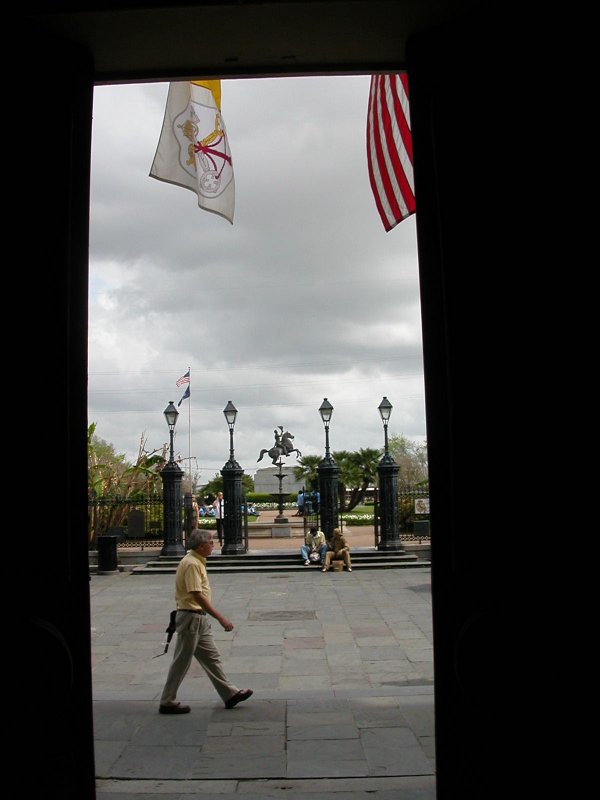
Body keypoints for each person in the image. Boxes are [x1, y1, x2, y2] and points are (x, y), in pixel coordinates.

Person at [158, 528, 253, 714]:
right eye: (211, 542)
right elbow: (196, 595)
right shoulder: (192, 564)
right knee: (182, 661)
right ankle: (167, 701)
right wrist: (220, 617)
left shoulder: (196, 561)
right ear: (201, 546)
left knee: (212, 658)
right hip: (191, 617)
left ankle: (229, 694)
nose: (213, 545)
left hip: (197, 618)